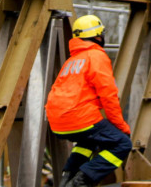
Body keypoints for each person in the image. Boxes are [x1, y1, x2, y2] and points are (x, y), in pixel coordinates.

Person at [45, 15, 132, 187]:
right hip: (79, 117)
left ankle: (67, 178)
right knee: (122, 144)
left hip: (57, 120)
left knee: (88, 140)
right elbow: (109, 96)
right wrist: (122, 127)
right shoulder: (96, 56)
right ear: (99, 36)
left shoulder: (72, 61)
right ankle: (82, 180)